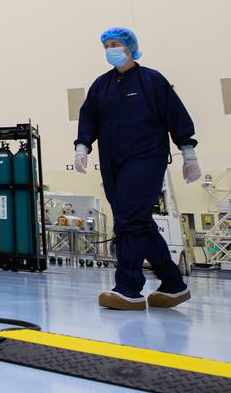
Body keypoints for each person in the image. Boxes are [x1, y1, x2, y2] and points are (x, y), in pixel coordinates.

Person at [75, 27, 201, 310]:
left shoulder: (151, 81)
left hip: (146, 158)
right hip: (112, 162)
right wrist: (82, 146)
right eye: (107, 45)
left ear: (130, 48)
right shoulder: (102, 85)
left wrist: (188, 153)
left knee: (129, 221)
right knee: (138, 222)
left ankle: (129, 288)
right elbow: (88, 116)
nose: (110, 49)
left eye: (116, 44)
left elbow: (176, 115)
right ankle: (173, 284)